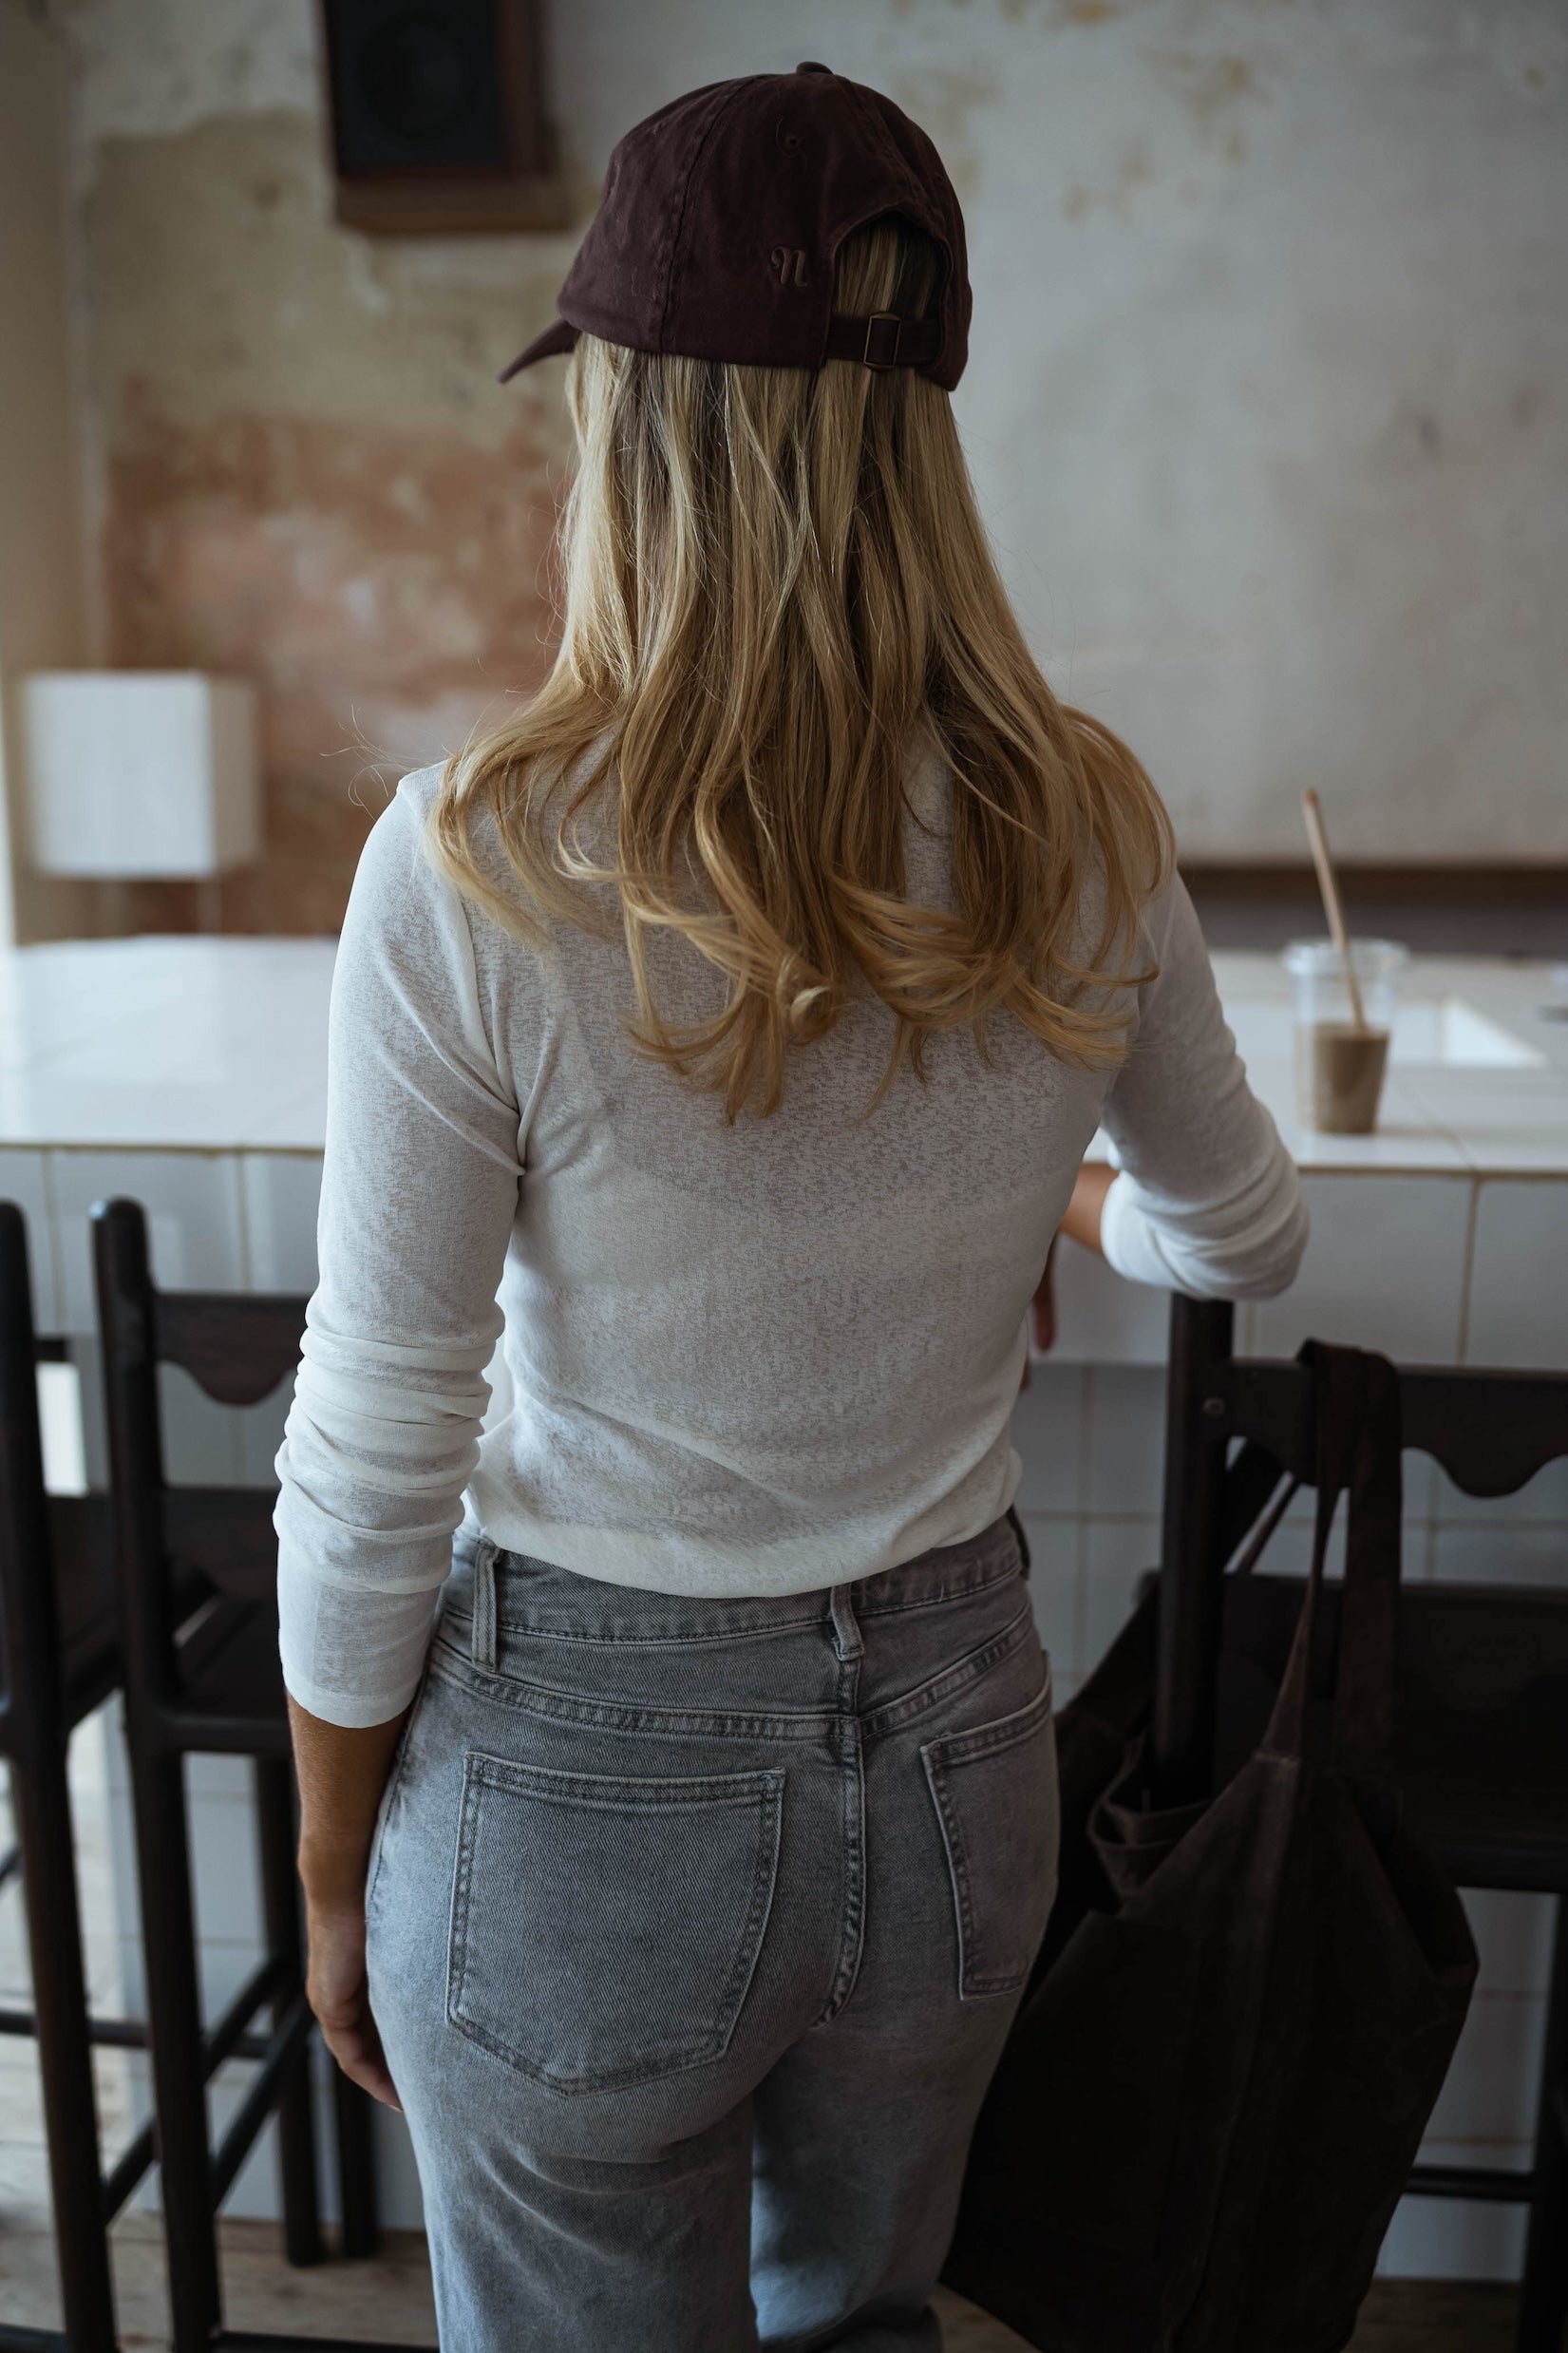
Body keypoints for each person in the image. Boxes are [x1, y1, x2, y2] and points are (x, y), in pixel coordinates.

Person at [276, 63, 1307, 2353]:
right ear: (924, 419)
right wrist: (1066, 1219)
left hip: (580, 1800)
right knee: (868, 2325)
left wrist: (337, 1861)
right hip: (956, 1764)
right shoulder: (1085, 818)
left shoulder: (470, 858)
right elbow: (1244, 1241)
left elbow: (376, 1443)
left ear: (623, 421)